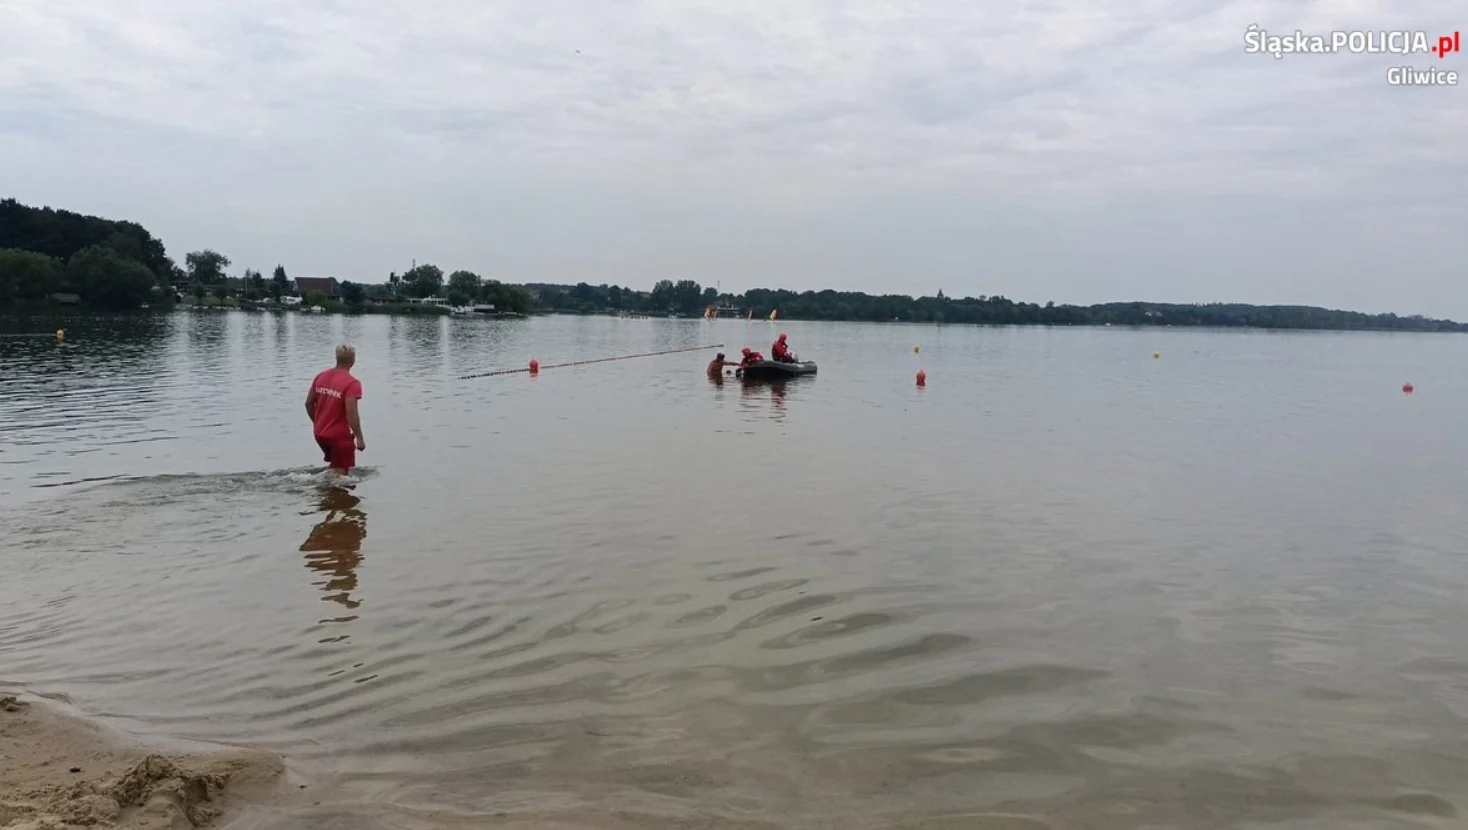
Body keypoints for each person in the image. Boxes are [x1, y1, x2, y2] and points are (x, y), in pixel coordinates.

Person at [306, 344, 365, 476]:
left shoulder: (321, 376)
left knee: (335, 466)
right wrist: (360, 438)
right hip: (339, 436)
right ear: (353, 360)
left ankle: (323, 485)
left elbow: (309, 404)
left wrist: (318, 423)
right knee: (341, 475)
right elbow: (351, 413)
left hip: (320, 433)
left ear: (336, 358)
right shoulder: (352, 383)